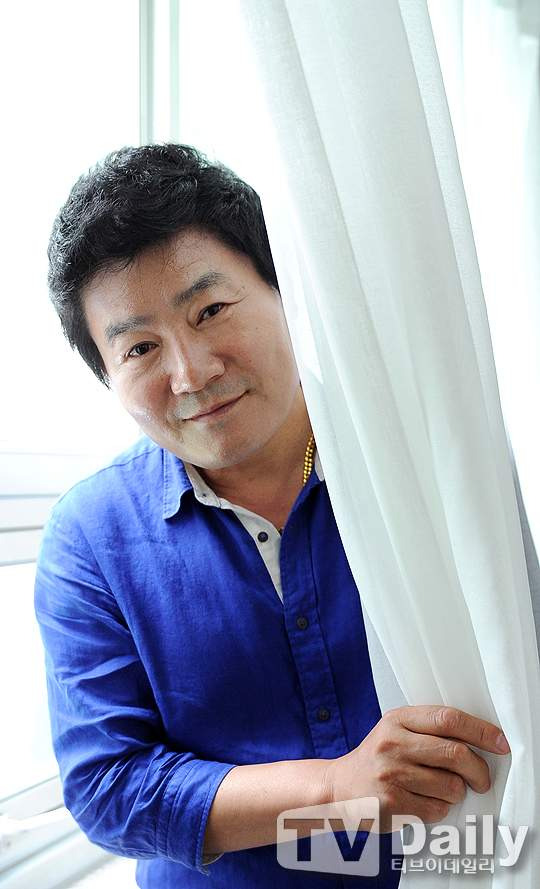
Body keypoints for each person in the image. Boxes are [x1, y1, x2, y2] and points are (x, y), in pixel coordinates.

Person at [34, 143, 510, 888]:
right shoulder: (90, 536)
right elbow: (108, 789)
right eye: (140, 348)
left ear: (283, 286)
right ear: (107, 374)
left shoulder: (421, 461)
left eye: (210, 310)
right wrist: (338, 788)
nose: (191, 373)